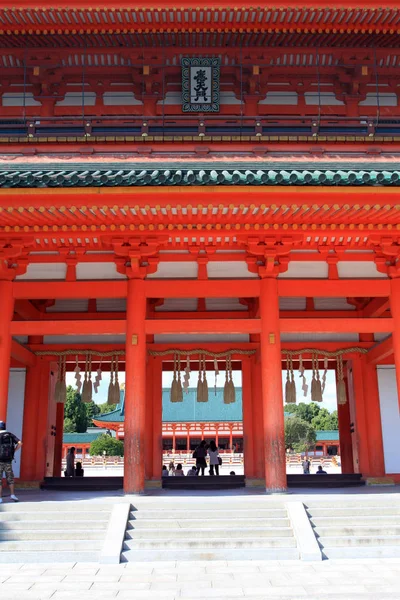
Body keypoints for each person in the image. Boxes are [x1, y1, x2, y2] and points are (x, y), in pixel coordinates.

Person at [0, 420, 22, 503]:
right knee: (10, 478)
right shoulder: (10, 435)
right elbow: (20, 443)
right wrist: (14, 451)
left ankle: (0, 498)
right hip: (8, 460)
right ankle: (12, 495)